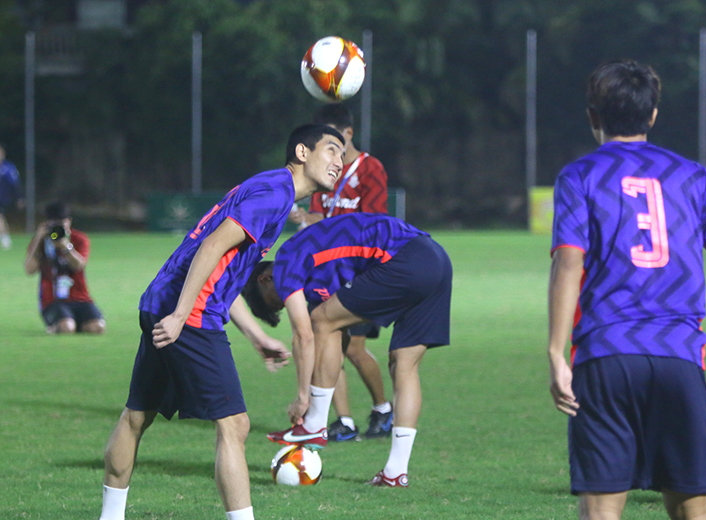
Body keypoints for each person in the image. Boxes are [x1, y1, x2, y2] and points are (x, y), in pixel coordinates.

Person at [98, 124, 345, 520]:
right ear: (302, 152)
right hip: (188, 314)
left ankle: (110, 516)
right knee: (234, 424)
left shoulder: (269, 186)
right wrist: (181, 315)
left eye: (343, 155)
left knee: (137, 415)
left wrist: (256, 335)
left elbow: (224, 271)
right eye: (331, 150)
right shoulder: (275, 194)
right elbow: (213, 246)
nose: (339, 161)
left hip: (163, 301)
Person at [547, 59, 706, 520]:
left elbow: (569, 261)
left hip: (606, 352)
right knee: (692, 503)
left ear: (593, 115)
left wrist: (556, 352)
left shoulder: (579, 175)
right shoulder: (693, 176)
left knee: (601, 506)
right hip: (679, 355)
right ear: (653, 114)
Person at [244, 213, 453, 487]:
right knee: (404, 364)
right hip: (436, 259)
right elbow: (335, 337)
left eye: (276, 302)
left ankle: (315, 425)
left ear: (264, 279)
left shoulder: (287, 260)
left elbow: (305, 334)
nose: (285, 303)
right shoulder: (318, 272)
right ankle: (395, 473)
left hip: (405, 258)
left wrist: (303, 398)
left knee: (321, 319)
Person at [288, 104, 392, 442]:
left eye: (334, 140)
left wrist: (327, 226)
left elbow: (373, 221)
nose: (329, 149)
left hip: (361, 271)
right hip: (328, 270)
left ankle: (383, 410)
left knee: (354, 348)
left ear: (348, 134)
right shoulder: (325, 171)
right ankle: (343, 421)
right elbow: (319, 216)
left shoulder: (370, 168)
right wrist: (304, 218)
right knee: (328, 341)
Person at [24, 201, 106, 334]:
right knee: (67, 327)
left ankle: (72, 323)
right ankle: (63, 325)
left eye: (61, 224)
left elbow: (79, 265)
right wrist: (38, 239)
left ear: (69, 221)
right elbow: (29, 270)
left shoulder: (79, 239)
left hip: (80, 297)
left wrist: (65, 246)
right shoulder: (41, 241)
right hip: (53, 300)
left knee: (98, 328)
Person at [0, 143, 23, 250]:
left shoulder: (8, 168)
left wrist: (19, 198)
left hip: (3, 198)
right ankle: (5, 238)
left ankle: (5, 239)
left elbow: (15, 184)